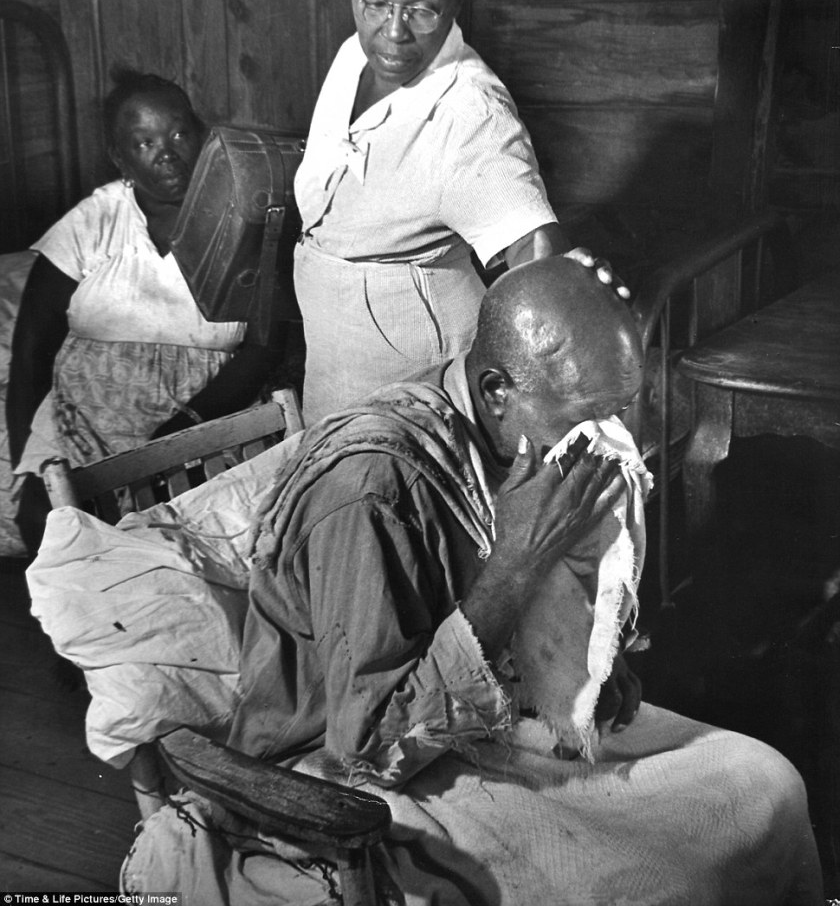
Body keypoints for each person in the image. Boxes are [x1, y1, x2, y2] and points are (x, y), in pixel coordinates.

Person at [122, 257, 822, 905]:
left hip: (483, 726)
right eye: (590, 415)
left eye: (625, 406)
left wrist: (584, 656)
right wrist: (516, 563)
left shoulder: (507, 429)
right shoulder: (372, 488)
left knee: (766, 782)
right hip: (342, 782)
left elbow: (541, 629)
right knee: (669, 877)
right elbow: (365, 748)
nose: (616, 436)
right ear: (496, 391)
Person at [294, 0, 627, 423]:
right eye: (373, 2)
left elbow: (537, 257)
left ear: (456, 0)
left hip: (416, 389)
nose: (394, 32)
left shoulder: (469, 112)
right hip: (336, 366)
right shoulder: (353, 56)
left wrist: (565, 285)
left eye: (424, 10)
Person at [7, 69, 282, 556]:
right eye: (145, 142)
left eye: (179, 134)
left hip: (203, 431)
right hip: (80, 433)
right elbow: (31, 351)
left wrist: (181, 430)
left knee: (196, 553)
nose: (168, 153)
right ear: (120, 157)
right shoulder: (96, 220)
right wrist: (34, 464)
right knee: (60, 546)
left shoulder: (248, 218)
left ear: (204, 139)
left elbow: (265, 347)